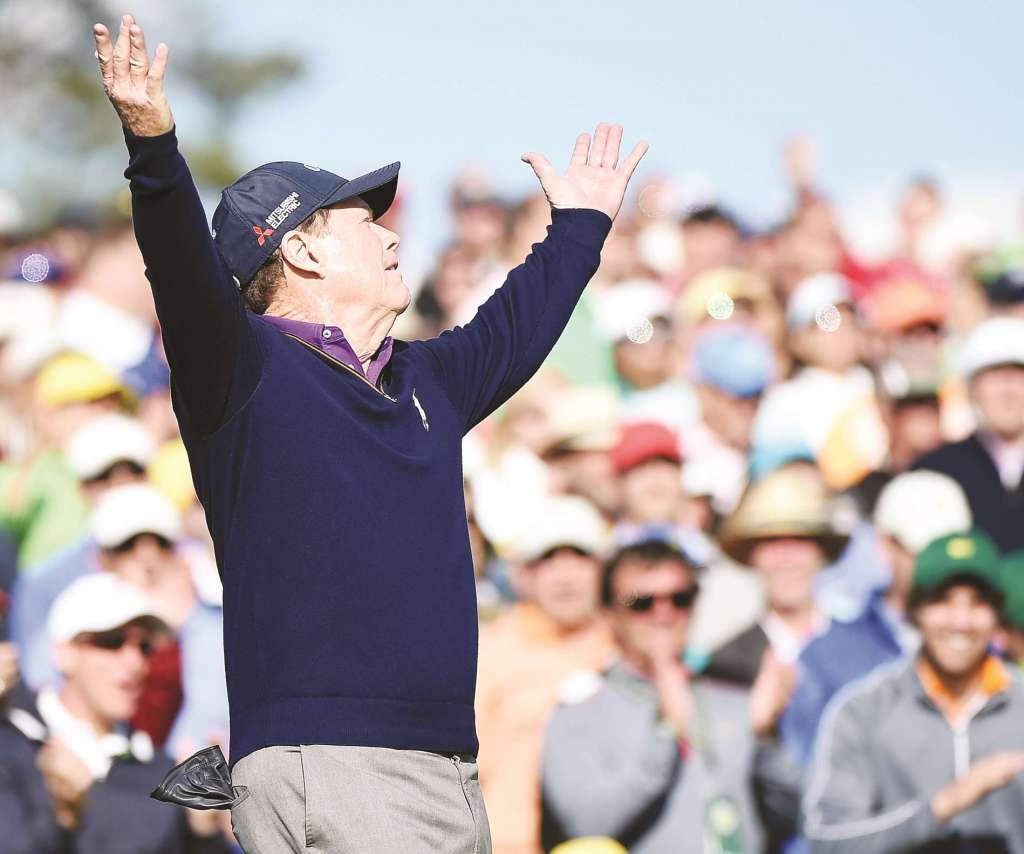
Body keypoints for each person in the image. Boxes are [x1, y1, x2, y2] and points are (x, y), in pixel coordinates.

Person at [92, 14, 647, 853]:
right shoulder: (242, 373)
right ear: (302, 250)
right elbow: (179, 267)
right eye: (362, 219)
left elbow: (517, 327)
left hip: (443, 766)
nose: (391, 233)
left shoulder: (421, 378)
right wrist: (153, 146)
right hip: (337, 761)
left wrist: (580, 226)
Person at [803, 531, 1024, 853]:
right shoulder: (863, 710)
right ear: (916, 610)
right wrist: (942, 806)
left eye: (978, 603)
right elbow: (828, 842)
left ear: (997, 616)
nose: (961, 621)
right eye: (942, 600)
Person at [540, 539, 762, 853]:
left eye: (680, 598)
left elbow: (788, 814)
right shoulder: (579, 709)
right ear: (608, 614)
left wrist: (765, 738)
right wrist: (665, 731)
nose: (664, 612)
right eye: (641, 602)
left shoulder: (731, 695)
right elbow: (588, 824)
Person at [0, 572, 227, 853]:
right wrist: (64, 819)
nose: (135, 662)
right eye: (111, 641)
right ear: (64, 653)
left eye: (144, 647)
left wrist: (204, 834)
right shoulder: (10, 745)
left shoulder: (164, 773)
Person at [476, 495, 614, 854]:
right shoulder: (489, 650)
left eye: (580, 557)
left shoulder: (621, 646)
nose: (566, 575)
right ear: (524, 575)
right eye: (548, 559)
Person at [912, 316, 1024, 553]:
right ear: (972, 388)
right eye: (995, 375)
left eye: (1018, 375)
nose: (1008, 391)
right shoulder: (936, 470)